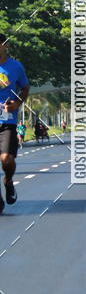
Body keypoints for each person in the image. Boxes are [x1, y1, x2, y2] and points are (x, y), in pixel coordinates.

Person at [0, 34, 30, 214]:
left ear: (5, 45)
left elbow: (25, 87)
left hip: (7, 120)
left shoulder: (16, 66)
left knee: (7, 159)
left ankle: (8, 181)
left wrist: (17, 103)